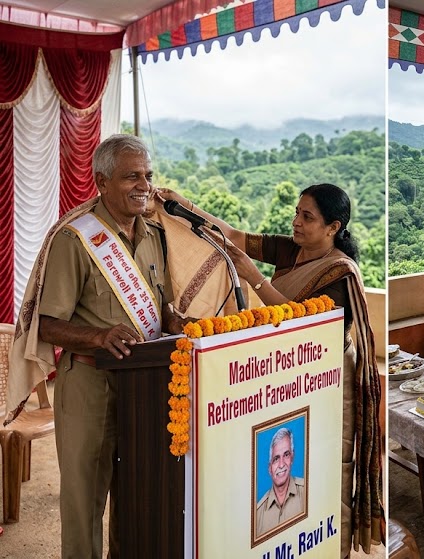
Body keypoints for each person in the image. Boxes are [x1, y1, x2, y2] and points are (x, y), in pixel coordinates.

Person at [163, 181, 383, 551]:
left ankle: (335, 546)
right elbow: (231, 234)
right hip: (287, 373)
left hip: (330, 380)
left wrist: (255, 276)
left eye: (307, 217)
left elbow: (300, 321)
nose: (296, 222)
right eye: (297, 213)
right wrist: (183, 204)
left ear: (333, 228)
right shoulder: (290, 248)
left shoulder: (339, 274)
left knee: (330, 462)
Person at [7, 135, 180, 557]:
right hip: (89, 383)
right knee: (85, 501)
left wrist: (178, 321)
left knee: (137, 492)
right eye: (131, 177)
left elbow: (162, 305)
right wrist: (98, 336)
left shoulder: (155, 235)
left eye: (148, 175)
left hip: (145, 385)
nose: (145, 186)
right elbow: (44, 325)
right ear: (101, 181)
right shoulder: (76, 239)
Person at [256, 428, 307, 538]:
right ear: (270, 468)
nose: (281, 465)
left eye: (286, 455)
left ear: (292, 458)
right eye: (276, 459)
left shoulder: (307, 491)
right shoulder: (257, 514)